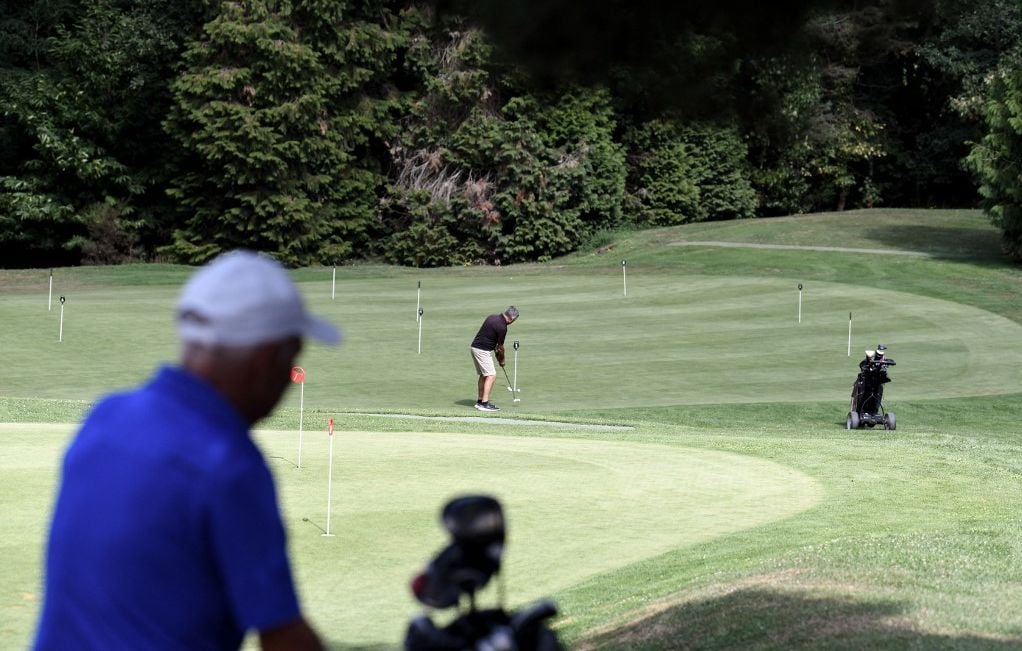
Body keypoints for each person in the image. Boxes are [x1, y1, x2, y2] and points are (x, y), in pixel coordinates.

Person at [34, 250, 337, 651]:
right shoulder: (229, 464)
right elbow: (283, 638)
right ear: (266, 359)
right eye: (292, 357)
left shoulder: (105, 416)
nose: (290, 380)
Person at [469, 306, 519, 411]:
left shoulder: (492, 317)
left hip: (474, 347)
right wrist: (502, 360)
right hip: (482, 350)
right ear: (511, 319)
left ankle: (480, 401)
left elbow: (496, 347)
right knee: (491, 375)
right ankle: (484, 403)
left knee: (484, 375)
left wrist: (498, 356)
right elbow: (500, 348)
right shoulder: (502, 327)